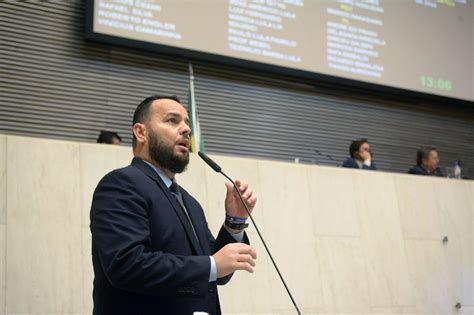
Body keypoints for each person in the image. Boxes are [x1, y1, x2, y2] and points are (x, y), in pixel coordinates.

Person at [90, 95, 257, 315]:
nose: (186, 129)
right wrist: (211, 265)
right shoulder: (121, 184)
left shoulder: (190, 202)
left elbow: (219, 273)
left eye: (187, 123)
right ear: (141, 133)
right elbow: (126, 265)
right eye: (172, 120)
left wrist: (235, 221)